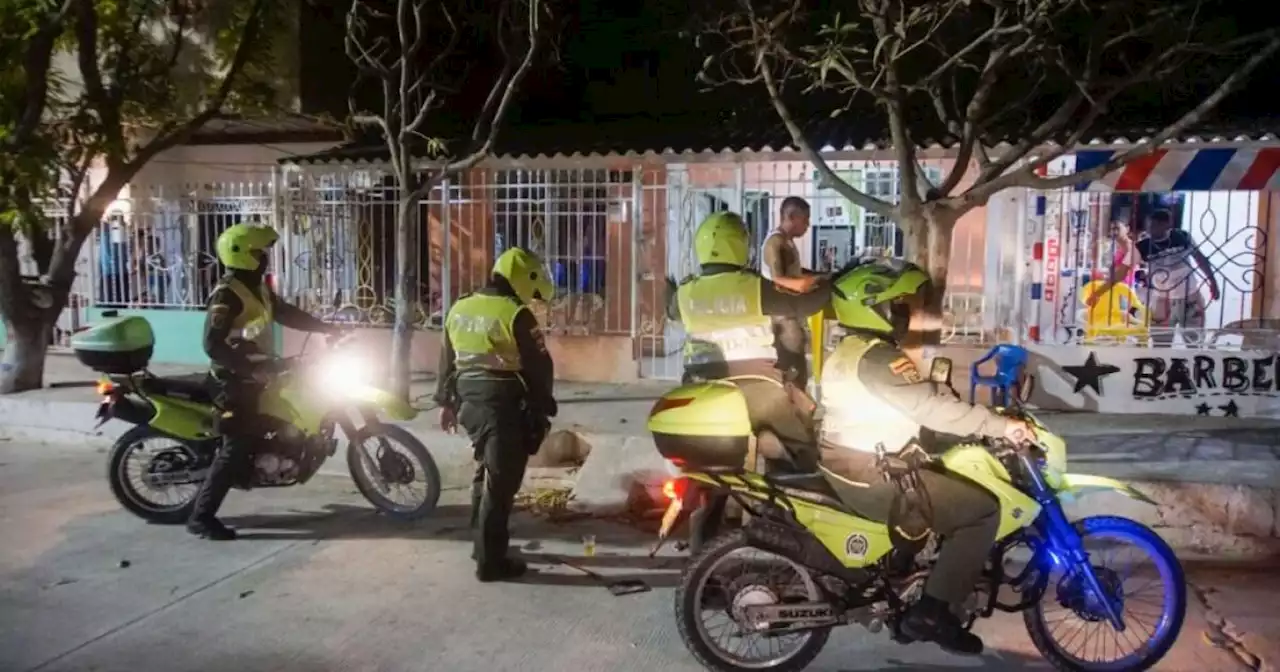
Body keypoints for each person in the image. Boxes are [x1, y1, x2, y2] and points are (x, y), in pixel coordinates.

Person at [817, 258, 1032, 656]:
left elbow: (912, 405)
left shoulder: (850, 349)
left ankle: (908, 579)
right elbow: (931, 410)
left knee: (941, 478)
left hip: (854, 461)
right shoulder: (879, 358)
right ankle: (932, 612)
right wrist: (1001, 427)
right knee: (982, 511)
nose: (905, 315)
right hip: (872, 472)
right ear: (874, 308)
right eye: (896, 306)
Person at [665, 211, 830, 552]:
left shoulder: (685, 293)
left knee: (712, 474)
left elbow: (670, 310)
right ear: (741, 246)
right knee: (798, 456)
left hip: (701, 392)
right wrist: (831, 284)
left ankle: (703, 558)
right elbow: (806, 305)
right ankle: (784, 537)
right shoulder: (753, 286)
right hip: (756, 387)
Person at [190, 224, 342, 540]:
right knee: (237, 445)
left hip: (260, 375)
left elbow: (284, 313)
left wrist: (326, 327)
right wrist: (248, 369)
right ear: (243, 255)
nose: (265, 259)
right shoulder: (227, 295)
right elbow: (212, 344)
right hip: (232, 382)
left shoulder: (256, 288)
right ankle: (201, 518)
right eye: (260, 253)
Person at [434, 247, 557, 582]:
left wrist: (445, 403)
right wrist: (543, 406)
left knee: (487, 472)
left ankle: (482, 546)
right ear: (522, 278)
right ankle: (491, 562)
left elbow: (446, 360)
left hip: (468, 403)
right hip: (502, 403)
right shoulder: (515, 313)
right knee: (501, 484)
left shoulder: (460, 307)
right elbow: (539, 365)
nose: (531, 298)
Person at [1135, 209, 1220, 345]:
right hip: (1161, 299)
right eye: (1149, 225)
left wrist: (1212, 281)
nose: (1150, 229)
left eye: (1155, 225)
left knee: (1195, 342)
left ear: (1167, 225)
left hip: (1190, 296)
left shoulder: (1182, 237)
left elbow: (1200, 259)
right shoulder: (1143, 246)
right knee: (1161, 343)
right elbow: (1126, 266)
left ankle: (1195, 365)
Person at [761, 196, 818, 389]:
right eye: (805, 219)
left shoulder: (787, 242)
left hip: (791, 313)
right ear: (792, 216)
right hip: (782, 318)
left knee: (798, 366)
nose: (808, 225)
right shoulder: (776, 242)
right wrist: (803, 285)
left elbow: (792, 273)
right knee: (792, 368)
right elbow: (778, 279)